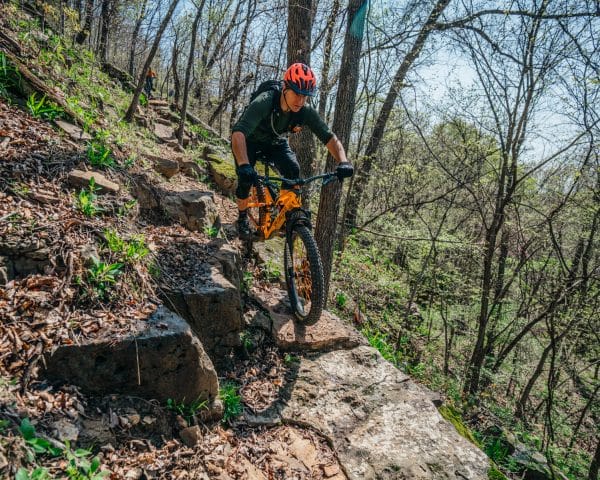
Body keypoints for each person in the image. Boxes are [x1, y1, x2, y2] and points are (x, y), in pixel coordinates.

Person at [231, 63, 354, 239]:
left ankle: (283, 214)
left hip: (275, 143)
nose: (301, 100)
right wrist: (244, 164)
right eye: (297, 93)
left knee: (293, 170)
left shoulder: (304, 111)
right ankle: (242, 217)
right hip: (249, 142)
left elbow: (329, 137)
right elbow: (238, 133)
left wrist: (343, 161)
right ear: (285, 88)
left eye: (305, 96)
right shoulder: (265, 101)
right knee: (245, 181)